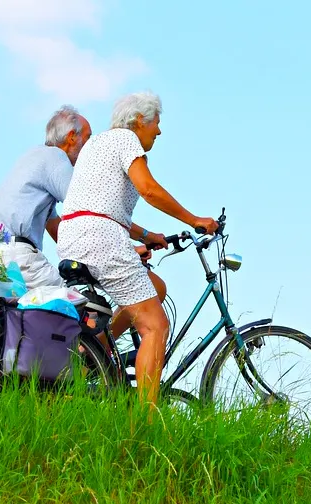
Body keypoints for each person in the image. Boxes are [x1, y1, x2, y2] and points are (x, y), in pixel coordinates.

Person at [56, 91, 219, 405]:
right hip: (100, 238)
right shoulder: (126, 139)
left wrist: (145, 235)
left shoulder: (97, 145)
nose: (158, 131)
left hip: (75, 236)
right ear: (140, 120)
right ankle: (144, 423)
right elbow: (149, 189)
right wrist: (194, 219)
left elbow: (98, 205)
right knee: (155, 326)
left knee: (154, 287)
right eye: (156, 123)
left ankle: (97, 351)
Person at [0, 105, 92, 289]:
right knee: (77, 307)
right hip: (18, 256)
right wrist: (126, 247)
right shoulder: (56, 157)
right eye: (88, 138)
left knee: (23, 315)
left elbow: (54, 226)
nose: (90, 147)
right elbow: (88, 208)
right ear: (72, 136)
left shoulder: (34, 156)